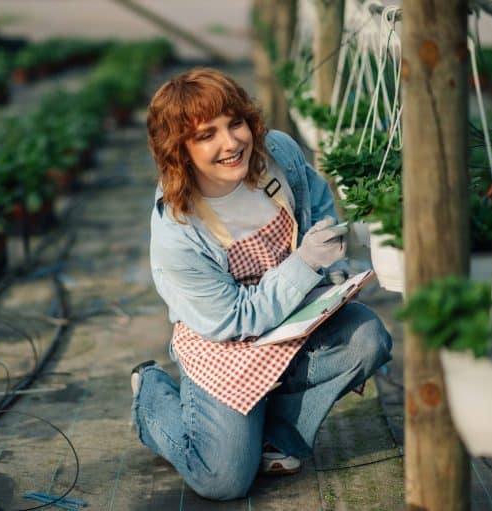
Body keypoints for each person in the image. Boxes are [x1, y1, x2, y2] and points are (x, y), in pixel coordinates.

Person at [131, 67, 392, 501]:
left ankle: (276, 433)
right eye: (206, 135)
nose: (231, 143)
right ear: (179, 150)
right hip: (225, 343)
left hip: (294, 318)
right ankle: (151, 395)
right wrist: (305, 263)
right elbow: (233, 318)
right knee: (222, 481)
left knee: (368, 339)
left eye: (235, 123)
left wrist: (336, 270)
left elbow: (317, 201)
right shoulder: (179, 229)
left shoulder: (278, 155)